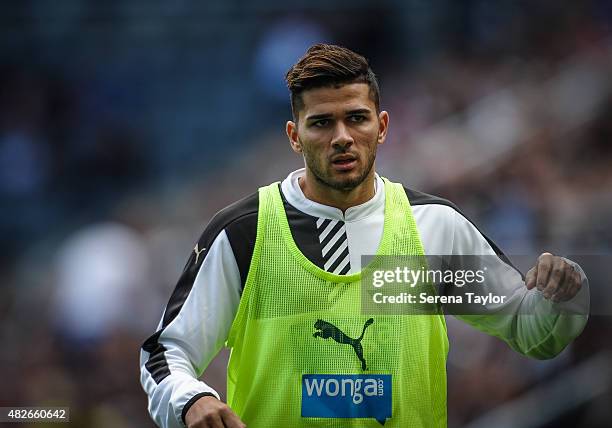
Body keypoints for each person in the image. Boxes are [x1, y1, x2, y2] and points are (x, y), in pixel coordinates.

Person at [140, 44, 589, 428]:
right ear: (295, 136)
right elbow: (165, 352)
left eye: (356, 118)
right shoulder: (244, 233)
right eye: (321, 123)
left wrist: (562, 296)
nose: (342, 137)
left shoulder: (433, 227)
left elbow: (529, 327)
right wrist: (190, 400)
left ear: (383, 126)